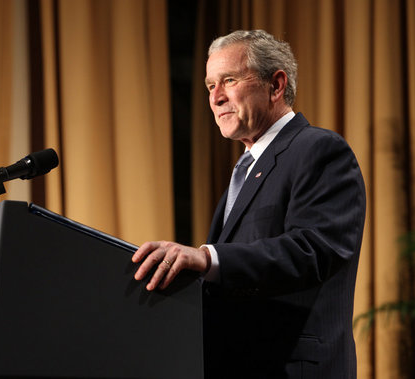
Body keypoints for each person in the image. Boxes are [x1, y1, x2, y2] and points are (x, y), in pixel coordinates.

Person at [132, 30, 366, 378]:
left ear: (276, 85)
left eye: (229, 80)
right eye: (210, 86)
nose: (216, 98)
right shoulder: (246, 168)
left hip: (292, 366)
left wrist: (208, 257)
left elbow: (313, 250)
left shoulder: (318, 150)